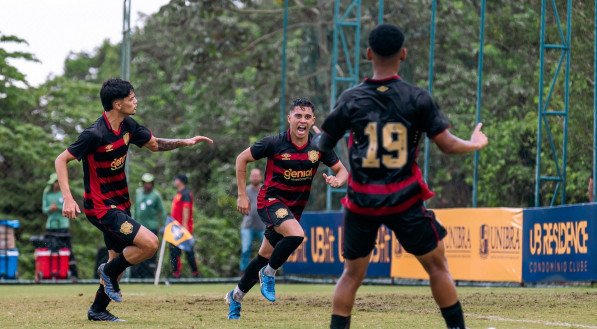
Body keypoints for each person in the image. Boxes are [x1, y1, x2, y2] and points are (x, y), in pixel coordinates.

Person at [312, 24, 488, 329]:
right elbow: (446, 144)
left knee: (351, 275)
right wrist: (474, 142)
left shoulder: (351, 99)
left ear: (368, 54)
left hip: (362, 202)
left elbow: (323, 145)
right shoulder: (417, 98)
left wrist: (321, 138)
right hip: (404, 199)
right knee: (437, 267)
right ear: (403, 54)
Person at [54, 78, 213, 322]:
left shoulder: (128, 125)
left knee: (117, 259)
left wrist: (186, 141)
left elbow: (155, 144)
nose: (135, 101)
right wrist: (67, 198)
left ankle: (97, 309)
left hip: (121, 204)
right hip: (101, 207)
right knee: (149, 244)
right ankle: (107, 272)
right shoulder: (94, 134)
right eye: (131, 98)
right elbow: (61, 160)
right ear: (117, 104)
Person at [225, 98, 349, 320]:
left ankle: (236, 296)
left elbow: (343, 171)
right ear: (289, 118)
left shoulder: (319, 146)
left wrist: (338, 181)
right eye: (298, 116)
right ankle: (270, 273)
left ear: (313, 121)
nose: (302, 120)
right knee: (297, 234)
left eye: (307, 117)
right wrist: (242, 195)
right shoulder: (274, 143)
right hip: (270, 201)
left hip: (294, 209)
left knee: (264, 255)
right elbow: (241, 159)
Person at [42, 173, 78, 279]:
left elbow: (69, 207)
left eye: (57, 182)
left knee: (67, 250)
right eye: (54, 182)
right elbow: (44, 209)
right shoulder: (46, 193)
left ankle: (73, 275)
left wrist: (57, 207)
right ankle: (48, 275)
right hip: (50, 226)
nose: (56, 184)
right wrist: (50, 208)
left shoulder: (64, 193)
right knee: (49, 250)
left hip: (63, 226)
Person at [131, 173, 166, 278]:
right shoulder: (138, 193)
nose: (147, 185)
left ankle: (149, 276)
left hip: (152, 228)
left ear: (152, 184)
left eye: (149, 183)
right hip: (139, 228)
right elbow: (135, 209)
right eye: (145, 183)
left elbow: (162, 212)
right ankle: (136, 276)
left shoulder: (156, 195)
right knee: (137, 251)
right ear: (142, 183)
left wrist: (164, 225)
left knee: (150, 252)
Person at [169, 174, 199, 278]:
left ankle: (195, 273)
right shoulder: (179, 193)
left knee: (188, 251)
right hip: (176, 228)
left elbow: (186, 209)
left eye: (176, 179)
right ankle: (176, 273)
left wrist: (185, 226)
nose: (174, 180)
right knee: (174, 251)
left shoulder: (186, 193)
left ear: (181, 181)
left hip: (183, 228)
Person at [239, 168, 266, 272]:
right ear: (250, 177)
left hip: (263, 225)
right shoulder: (245, 190)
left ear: (260, 177)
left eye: (256, 176)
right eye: (253, 175)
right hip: (247, 226)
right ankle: (243, 273)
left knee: (266, 251)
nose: (255, 177)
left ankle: (265, 273)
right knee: (246, 250)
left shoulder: (265, 189)